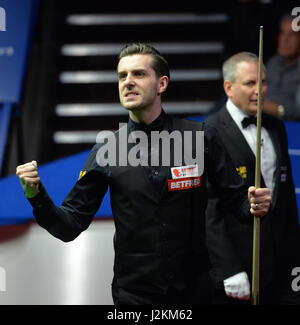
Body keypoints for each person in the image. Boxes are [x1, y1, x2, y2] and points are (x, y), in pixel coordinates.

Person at [16, 43, 271, 305]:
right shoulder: (107, 149)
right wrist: (36, 196)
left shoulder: (199, 137)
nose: (127, 82)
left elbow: (238, 202)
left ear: (161, 84)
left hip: (196, 292)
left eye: (138, 74)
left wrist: (253, 204)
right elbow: (69, 227)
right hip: (134, 297)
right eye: (122, 76)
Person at [205, 51, 300, 304]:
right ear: (229, 87)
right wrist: (229, 269)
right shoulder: (208, 132)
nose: (260, 90)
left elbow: (286, 196)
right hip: (239, 271)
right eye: (250, 83)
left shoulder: (275, 126)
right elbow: (209, 211)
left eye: (264, 82)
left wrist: (295, 261)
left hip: (282, 269)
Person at [263, 14, 300, 120]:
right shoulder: (273, 63)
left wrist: (278, 110)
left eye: (292, 35)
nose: (285, 39)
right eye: (282, 33)